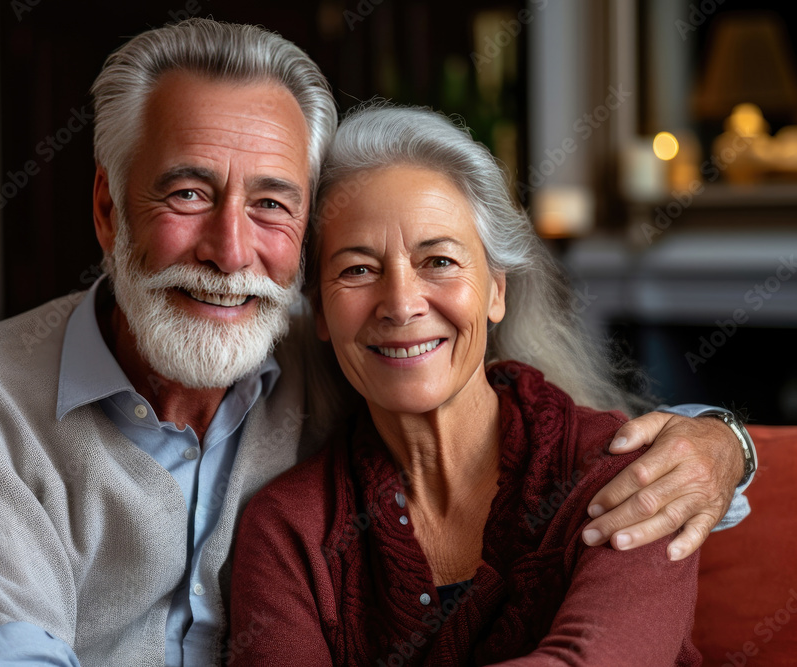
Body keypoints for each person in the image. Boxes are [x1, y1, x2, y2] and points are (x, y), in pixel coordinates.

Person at [0, 19, 753, 667]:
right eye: (186, 193)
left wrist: (724, 442)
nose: (230, 250)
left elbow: (598, 455)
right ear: (107, 209)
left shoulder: (310, 353)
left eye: (270, 203)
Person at [229, 105, 709, 665]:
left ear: (496, 291)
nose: (402, 304)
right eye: (357, 269)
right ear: (319, 314)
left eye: (438, 260)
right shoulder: (288, 529)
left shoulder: (629, 473)